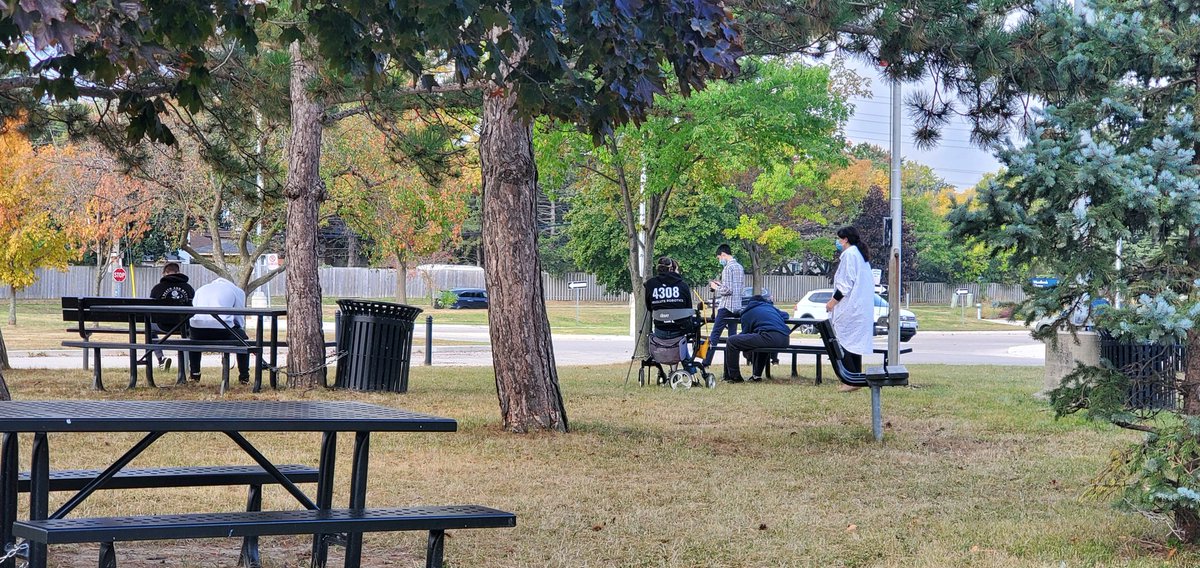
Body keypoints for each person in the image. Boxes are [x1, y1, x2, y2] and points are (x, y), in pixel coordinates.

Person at [825, 226, 875, 392]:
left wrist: (832, 302)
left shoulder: (849, 254)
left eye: (839, 239)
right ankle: (856, 378)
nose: (838, 242)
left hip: (850, 308)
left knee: (844, 341)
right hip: (860, 308)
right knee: (854, 343)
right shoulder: (860, 255)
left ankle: (850, 379)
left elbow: (845, 283)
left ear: (845, 239)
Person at [188, 277, 249, 384]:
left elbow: (195, 308)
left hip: (197, 330)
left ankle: (194, 374)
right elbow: (239, 317)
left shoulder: (202, 289)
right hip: (222, 330)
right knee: (243, 339)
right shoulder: (237, 291)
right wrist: (239, 328)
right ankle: (244, 376)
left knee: (193, 339)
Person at [725, 294, 790, 382]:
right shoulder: (770, 308)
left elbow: (745, 332)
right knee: (761, 341)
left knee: (731, 341)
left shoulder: (747, 312)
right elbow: (786, 315)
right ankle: (756, 376)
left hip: (769, 337)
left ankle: (735, 377)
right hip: (785, 339)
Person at [703, 244, 744, 379]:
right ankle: (731, 371)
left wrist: (715, 287)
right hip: (737, 306)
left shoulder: (727, 268)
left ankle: (705, 362)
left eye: (719, 257)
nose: (719, 260)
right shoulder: (739, 267)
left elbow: (727, 290)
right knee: (732, 339)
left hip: (726, 307)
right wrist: (722, 285)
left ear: (723, 255)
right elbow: (736, 288)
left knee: (714, 335)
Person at [643, 257, 693, 362]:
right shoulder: (682, 285)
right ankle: (689, 368)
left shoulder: (650, 284)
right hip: (678, 330)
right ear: (672, 269)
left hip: (660, 330)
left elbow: (649, 307)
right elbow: (689, 309)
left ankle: (674, 369)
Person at [148, 262, 194, 371]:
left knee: (149, 328)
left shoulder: (157, 288)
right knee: (192, 330)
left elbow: (150, 309)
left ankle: (161, 358)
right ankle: (188, 364)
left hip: (162, 325)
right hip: (184, 326)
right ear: (178, 273)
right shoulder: (188, 288)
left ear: (164, 273)